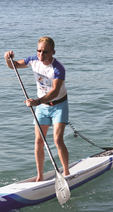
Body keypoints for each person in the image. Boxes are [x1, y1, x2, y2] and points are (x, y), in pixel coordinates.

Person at [4, 37, 69, 182]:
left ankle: (67, 173)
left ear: (52, 52)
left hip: (58, 105)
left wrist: (37, 101)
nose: (41, 54)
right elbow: (13, 65)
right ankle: (39, 177)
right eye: (39, 51)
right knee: (39, 142)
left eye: (45, 52)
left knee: (58, 140)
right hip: (42, 107)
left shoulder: (58, 68)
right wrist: (7, 59)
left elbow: (54, 91)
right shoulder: (33, 60)